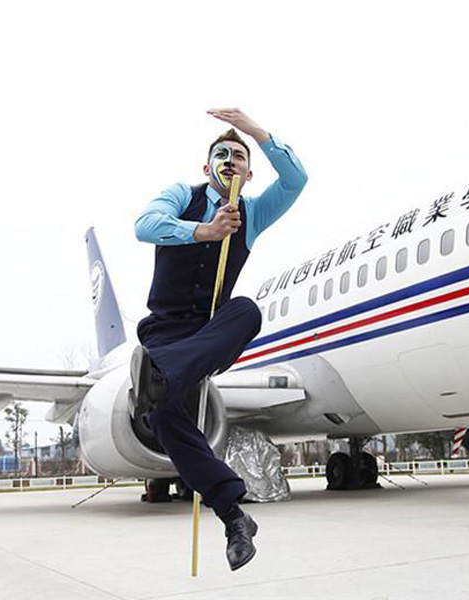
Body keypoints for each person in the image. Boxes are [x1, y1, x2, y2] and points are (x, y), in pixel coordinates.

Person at [131, 108, 307, 570]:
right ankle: (234, 518)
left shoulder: (253, 213)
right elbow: (144, 226)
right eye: (221, 154)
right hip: (166, 332)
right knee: (169, 420)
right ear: (208, 168)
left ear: (248, 174)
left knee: (247, 309)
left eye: (239, 157)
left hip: (208, 334)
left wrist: (256, 132)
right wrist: (203, 231)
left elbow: (295, 180)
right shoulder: (182, 197)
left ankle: (161, 379)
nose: (230, 159)